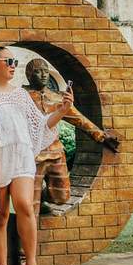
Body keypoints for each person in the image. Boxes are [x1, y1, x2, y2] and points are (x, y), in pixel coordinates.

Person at [0, 46, 73, 265]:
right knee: (0, 215)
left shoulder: (20, 95)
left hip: (22, 157)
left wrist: (63, 109)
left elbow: (40, 125)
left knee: (25, 206)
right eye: (9, 61)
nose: (14, 65)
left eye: (14, 61)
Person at [21, 57, 119, 210]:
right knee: (31, 204)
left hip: (55, 153)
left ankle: (42, 197)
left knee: (62, 196)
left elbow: (78, 118)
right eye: (38, 72)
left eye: (46, 71)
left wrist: (101, 136)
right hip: (31, 155)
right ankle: (31, 224)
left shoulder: (57, 97)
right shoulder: (21, 95)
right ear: (29, 75)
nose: (43, 75)